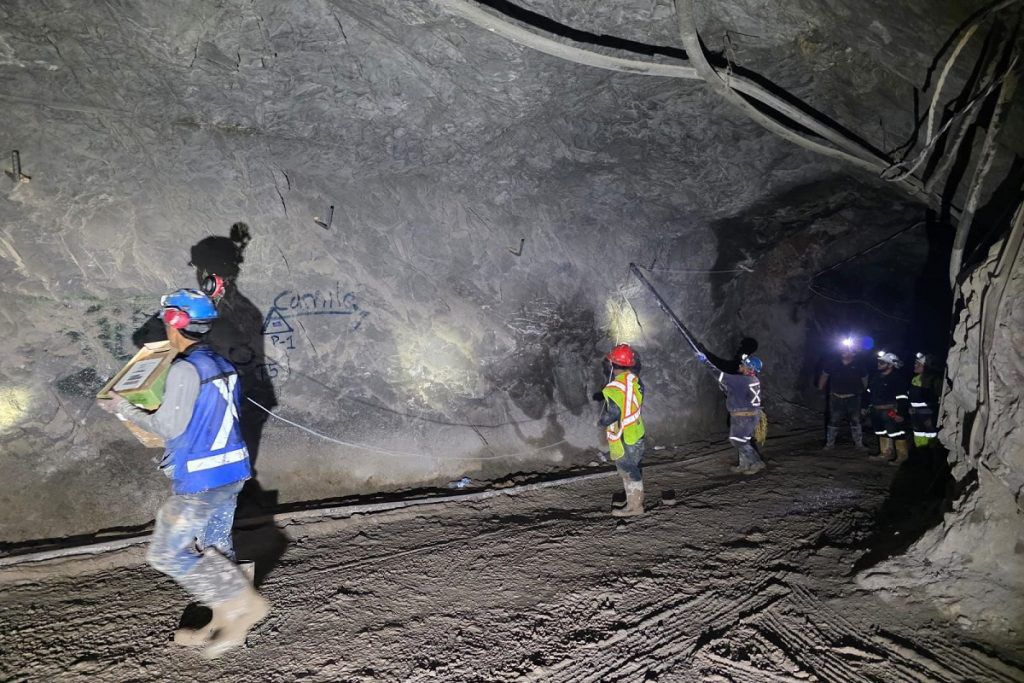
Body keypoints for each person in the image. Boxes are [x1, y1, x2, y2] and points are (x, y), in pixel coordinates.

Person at [97, 288, 269, 658]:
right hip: (231, 471)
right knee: (216, 547)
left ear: (175, 321)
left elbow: (168, 427)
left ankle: (244, 604)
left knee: (166, 552)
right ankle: (227, 623)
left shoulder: (185, 368)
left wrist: (124, 408)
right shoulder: (221, 363)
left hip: (202, 479)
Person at [696, 351, 767, 475]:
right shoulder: (753, 379)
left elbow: (717, 374)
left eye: (743, 364)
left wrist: (705, 361)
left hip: (743, 417)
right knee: (742, 441)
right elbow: (738, 392)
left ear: (749, 368)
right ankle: (744, 465)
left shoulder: (741, 380)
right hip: (749, 416)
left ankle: (756, 462)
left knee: (738, 441)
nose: (740, 365)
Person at [598, 343, 646, 517]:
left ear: (613, 364)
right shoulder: (635, 380)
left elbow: (613, 413)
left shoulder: (614, 388)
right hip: (637, 432)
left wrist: (602, 422)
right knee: (633, 467)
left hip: (626, 436)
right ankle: (632, 500)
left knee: (628, 470)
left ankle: (635, 507)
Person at [817, 341, 868, 450]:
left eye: (847, 350)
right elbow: (824, 375)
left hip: (853, 397)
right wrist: (820, 389)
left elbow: (865, 380)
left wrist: (863, 392)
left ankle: (859, 444)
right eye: (843, 349)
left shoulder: (859, 366)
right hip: (836, 396)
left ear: (853, 353)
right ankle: (829, 444)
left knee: (855, 420)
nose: (844, 351)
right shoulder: (832, 363)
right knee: (834, 420)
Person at [866, 350, 910, 465]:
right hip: (876, 409)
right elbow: (869, 392)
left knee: (896, 432)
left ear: (890, 365)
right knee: (881, 431)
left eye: (882, 362)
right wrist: (865, 406)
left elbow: (902, 397)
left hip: (890, 411)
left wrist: (900, 413)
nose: (879, 364)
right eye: (879, 362)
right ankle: (885, 453)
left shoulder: (897, 379)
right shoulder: (876, 377)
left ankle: (902, 456)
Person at [909, 352, 942, 450]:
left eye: (918, 364)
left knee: (931, 438)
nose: (915, 365)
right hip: (916, 415)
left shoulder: (935, 380)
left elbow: (938, 400)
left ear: (927, 366)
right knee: (918, 436)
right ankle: (921, 455)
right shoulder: (915, 379)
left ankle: (932, 456)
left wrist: (933, 416)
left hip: (929, 415)